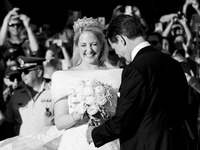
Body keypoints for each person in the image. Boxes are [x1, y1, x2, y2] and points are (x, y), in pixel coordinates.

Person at [86, 14, 193, 150]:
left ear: (121, 39)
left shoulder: (135, 69)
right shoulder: (173, 64)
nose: (118, 54)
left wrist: (95, 133)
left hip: (148, 145)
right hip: (178, 143)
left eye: (115, 48)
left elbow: (124, 119)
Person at [52, 17, 121, 150]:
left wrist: (103, 112)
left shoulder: (117, 75)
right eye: (83, 45)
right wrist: (79, 114)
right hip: (75, 143)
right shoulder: (62, 77)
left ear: (101, 45)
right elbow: (59, 123)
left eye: (94, 44)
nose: (89, 50)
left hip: (108, 141)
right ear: (77, 47)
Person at [3, 56, 54, 137]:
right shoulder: (16, 95)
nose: (22, 75)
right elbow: (9, 123)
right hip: (22, 146)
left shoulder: (53, 91)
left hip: (48, 146)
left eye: (26, 71)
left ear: (39, 72)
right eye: (21, 71)